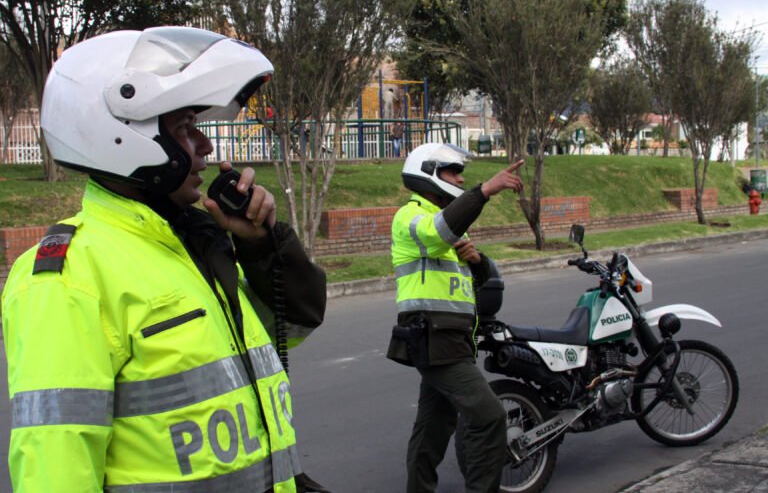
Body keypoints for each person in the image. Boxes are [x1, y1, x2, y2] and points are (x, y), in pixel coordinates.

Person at [1, 27, 329, 493]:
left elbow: (293, 328)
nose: (206, 147)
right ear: (119, 137)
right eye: (184, 129)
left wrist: (261, 246)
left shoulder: (192, 243)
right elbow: (57, 466)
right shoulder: (69, 277)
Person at [387, 143, 525, 493]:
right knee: (490, 416)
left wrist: (477, 261)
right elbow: (436, 234)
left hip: (454, 340)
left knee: (433, 427)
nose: (461, 178)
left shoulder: (449, 223)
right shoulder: (411, 215)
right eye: (453, 171)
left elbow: (471, 282)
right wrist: (486, 190)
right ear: (429, 172)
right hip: (433, 339)